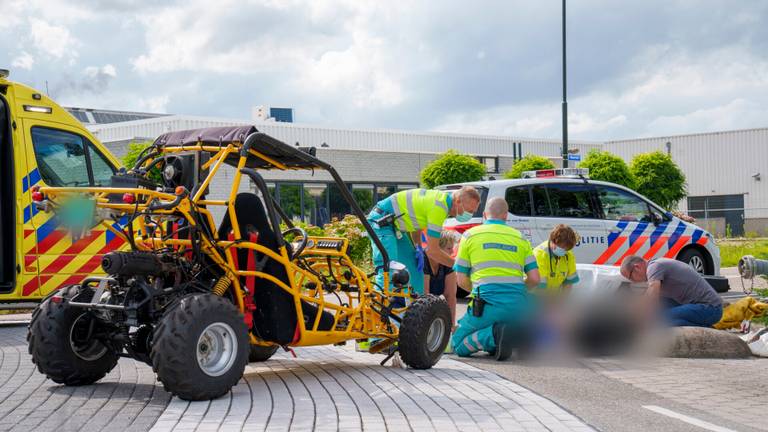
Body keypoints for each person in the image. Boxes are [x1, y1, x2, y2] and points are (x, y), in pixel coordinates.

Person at [451, 197, 540, 361]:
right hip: (518, 307)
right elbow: (535, 278)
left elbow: (461, 278)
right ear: (506, 216)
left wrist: (477, 292)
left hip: (486, 305)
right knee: (509, 323)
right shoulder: (520, 238)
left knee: (457, 345)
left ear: (485, 215)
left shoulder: (470, 235)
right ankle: (514, 334)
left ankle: (494, 335)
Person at [367, 186, 480, 296]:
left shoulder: (442, 202)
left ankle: (414, 311)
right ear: (458, 201)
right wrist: (460, 267)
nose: (470, 215)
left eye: (473, 212)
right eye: (469, 210)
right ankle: (376, 309)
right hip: (381, 221)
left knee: (415, 273)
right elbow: (433, 251)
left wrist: (418, 247)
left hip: (394, 226)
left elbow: (417, 223)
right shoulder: (439, 207)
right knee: (388, 269)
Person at [620, 256, 723, 327]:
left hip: (710, 309)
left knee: (659, 320)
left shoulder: (655, 267)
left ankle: (706, 328)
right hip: (697, 305)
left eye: (631, 277)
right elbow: (647, 297)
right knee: (659, 313)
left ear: (637, 267)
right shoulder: (655, 267)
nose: (633, 281)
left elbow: (652, 297)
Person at [423, 230, 461, 326]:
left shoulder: (447, 262)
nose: (452, 252)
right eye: (449, 248)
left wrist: (451, 324)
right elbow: (424, 295)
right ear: (437, 248)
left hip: (431, 302)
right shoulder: (424, 260)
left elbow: (450, 296)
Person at [532, 224, 580, 293]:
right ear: (553, 241)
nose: (564, 251)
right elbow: (539, 286)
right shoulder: (539, 255)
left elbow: (569, 283)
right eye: (562, 248)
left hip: (553, 296)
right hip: (534, 296)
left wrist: (561, 300)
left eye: (566, 249)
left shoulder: (568, 254)